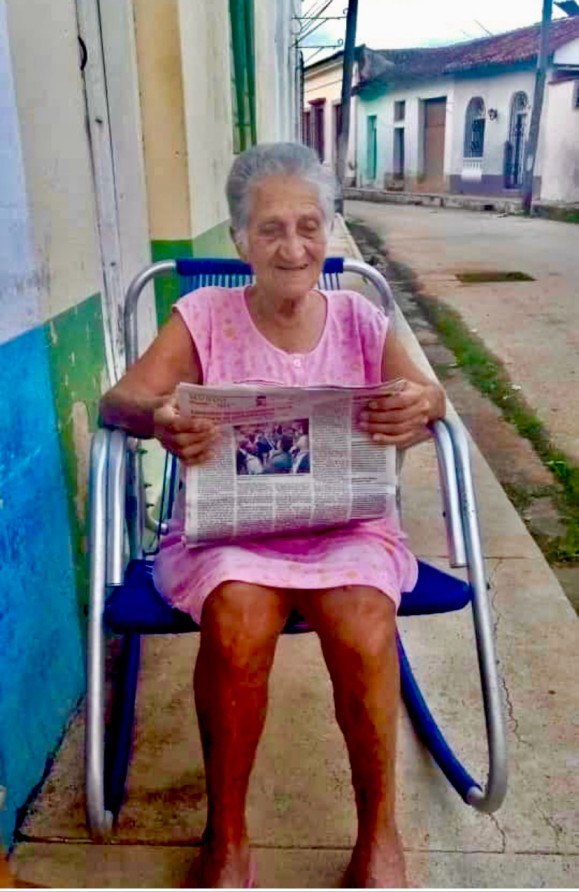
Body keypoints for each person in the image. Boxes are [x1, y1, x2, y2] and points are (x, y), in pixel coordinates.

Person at [99, 142, 445, 888]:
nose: (293, 247)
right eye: (270, 230)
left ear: (329, 228)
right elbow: (119, 400)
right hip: (233, 533)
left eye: (308, 225)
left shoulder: (358, 317)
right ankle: (226, 837)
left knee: (361, 621)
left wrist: (422, 404)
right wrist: (159, 415)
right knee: (237, 619)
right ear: (239, 241)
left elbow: (429, 396)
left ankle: (379, 835)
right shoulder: (204, 316)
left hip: (346, 526)